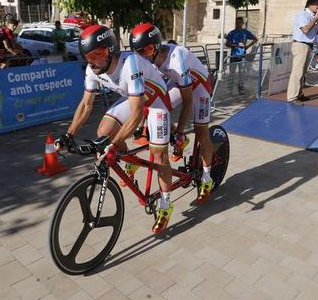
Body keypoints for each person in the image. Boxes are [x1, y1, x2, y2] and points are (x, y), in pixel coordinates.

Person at [54, 25, 176, 234]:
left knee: (158, 155)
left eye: (98, 54)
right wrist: (69, 134)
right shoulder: (93, 69)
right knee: (104, 131)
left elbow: (138, 113)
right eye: (87, 56)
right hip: (133, 96)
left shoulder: (131, 64)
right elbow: (86, 105)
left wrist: (111, 145)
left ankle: (166, 204)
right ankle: (131, 160)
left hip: (156, 101)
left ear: (110, 51)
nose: (92, 61)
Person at [129, 23, 215, 204]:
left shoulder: (176, 59)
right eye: (139, 52)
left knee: (201, 132)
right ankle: (176, 136)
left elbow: (188, 100)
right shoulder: (146, 60)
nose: (143, 55)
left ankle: (207, 178)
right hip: (178, 82)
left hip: (199, 86)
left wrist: (182, 130)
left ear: (157, 46)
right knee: (161, 108)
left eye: (148, 50)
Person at [288, 0, 318, 104]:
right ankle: (292, 97)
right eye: (317, 4)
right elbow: (306, 30)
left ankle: (299, 94)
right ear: (310, 4)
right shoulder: (302, 14)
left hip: (308, 45)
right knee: (297, 72)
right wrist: (315, 19)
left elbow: (315, 31)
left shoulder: (311, 16)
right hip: (300, 45)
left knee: (303, 73)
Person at [225, 17, 258, 95]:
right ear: (235, 23)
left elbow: (255, 39)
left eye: (240, 23)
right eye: (237, 23)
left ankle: (241, 89)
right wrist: (234, 45)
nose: (238, 24)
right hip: (233, 56)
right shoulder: (231, 33)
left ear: (242, 24)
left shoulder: (245, 32)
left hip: (242, 56)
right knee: (232, 73)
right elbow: (227, 44)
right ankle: (230, 89)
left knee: (241, 74)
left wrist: (248, 46)